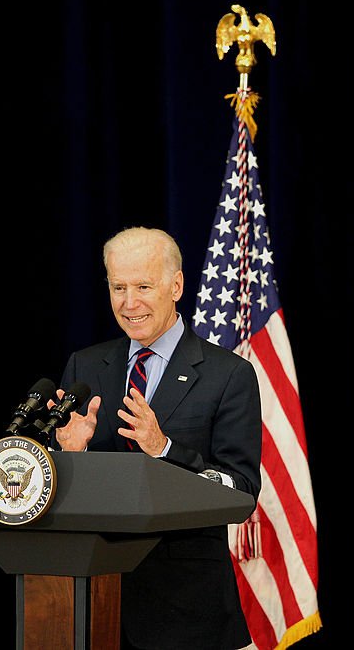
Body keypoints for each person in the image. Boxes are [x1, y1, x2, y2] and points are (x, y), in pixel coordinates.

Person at [55, 227, 262, 650]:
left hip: (186, 612)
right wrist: (68, 456)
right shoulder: (86, 366)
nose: (129, 303)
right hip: (94, 604)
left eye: (144, 286)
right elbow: (70, 495)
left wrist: (164, 449)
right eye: (119, 287)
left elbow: (241, 493)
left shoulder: (229, 375)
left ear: (176, 285)